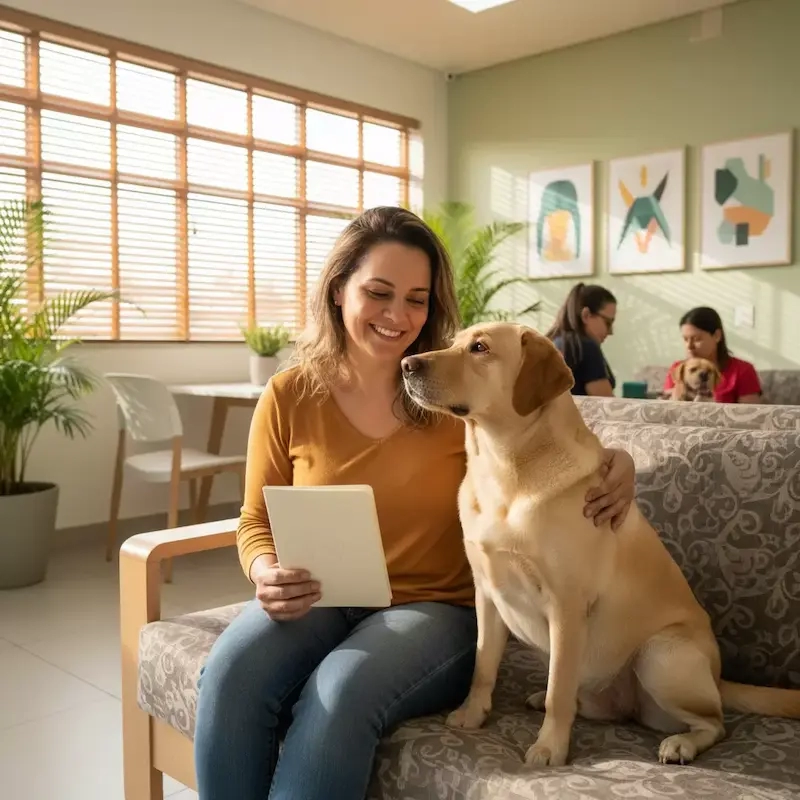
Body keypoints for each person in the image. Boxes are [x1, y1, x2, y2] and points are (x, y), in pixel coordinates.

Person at [193, 207, 638, 800]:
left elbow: (557, 438)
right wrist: (263, 570)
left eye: (417, 299)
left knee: (342, 688)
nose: (398, 316)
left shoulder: (458, 393)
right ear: (337, 290)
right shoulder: (289, 394)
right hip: (321, 595)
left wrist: (621, 461)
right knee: (230, 676)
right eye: (378, 292)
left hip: (437, 611)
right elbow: (255, 519)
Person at [663, 306, 761, 404]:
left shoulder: (742, 370)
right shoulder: (678, 368)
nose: (689, 346)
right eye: (685, 339)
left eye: (697, 339)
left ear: (717, 336)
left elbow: (750, 414)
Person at [546, 283, 617, 396]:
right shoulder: (586, 346)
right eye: (608, 323)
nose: (610, 332)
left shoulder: (554, 342)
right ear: (586, 315)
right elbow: (608, 407)